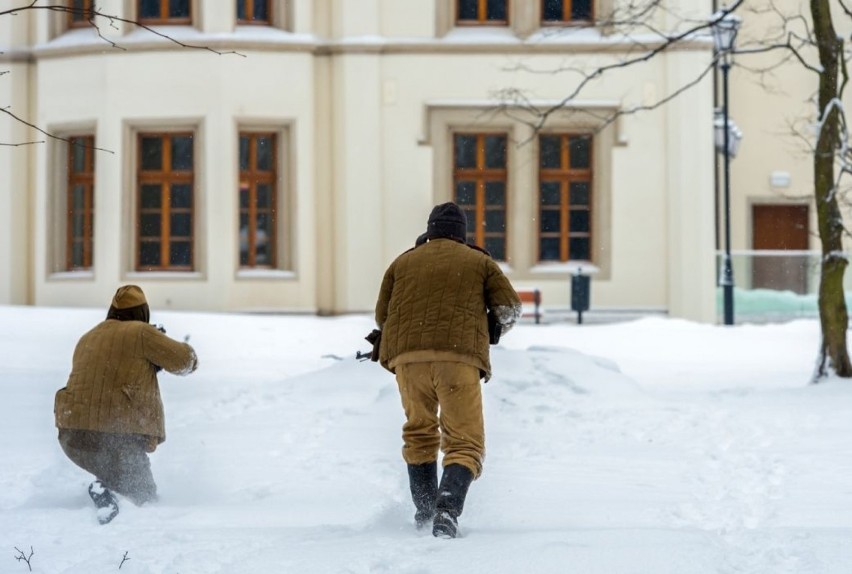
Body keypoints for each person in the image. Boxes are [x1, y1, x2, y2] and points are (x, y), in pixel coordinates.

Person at [374, 202, 522, 538]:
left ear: (430, 230)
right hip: (458, 360)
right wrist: (491, 330)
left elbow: (382, 316)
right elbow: (510, 308)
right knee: (465, 441)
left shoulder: (403, 261)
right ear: (462, 233)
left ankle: (424, 511)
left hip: (407, 361)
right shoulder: (479, 261)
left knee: (419, 432)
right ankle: (446, 511)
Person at [54, 285, 198, 524]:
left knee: (120, 477)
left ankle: (108, 487)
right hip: (116, 436)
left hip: (72, 437)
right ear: (143, 312)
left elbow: (109, 372)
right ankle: (105, 492)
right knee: (144, 496)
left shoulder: (88, 336)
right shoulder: (141, 333)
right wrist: (159, 341)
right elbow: (185, 362)